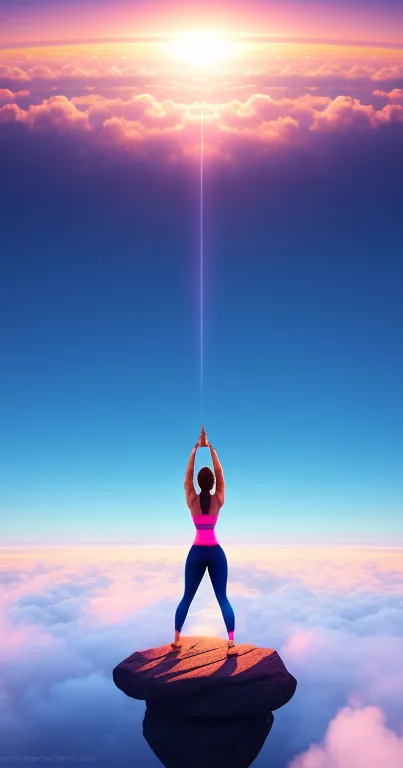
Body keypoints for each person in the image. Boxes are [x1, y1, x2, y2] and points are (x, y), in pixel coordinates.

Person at [172, 425, 237, 655]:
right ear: (212, 483)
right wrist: (210, 449)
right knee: (223, 598)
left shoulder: (191, 499)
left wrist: (194, 450)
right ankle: (230, 643)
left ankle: (177, 639)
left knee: (187, 597)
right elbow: (220, 473)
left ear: (199, 483)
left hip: (197, 552)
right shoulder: (219, 498)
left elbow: (187, 475)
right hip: (216, 553)